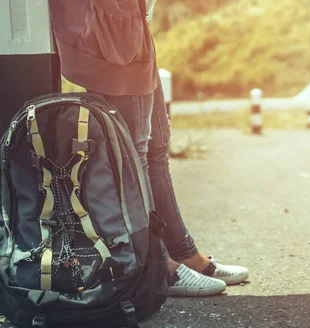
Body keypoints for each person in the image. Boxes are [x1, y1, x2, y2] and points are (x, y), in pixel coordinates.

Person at [48, 0, 248, 297]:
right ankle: (159, 264)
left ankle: (183, 252)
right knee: (135, 156)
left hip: (131, 24)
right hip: (113, 32)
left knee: (155, 148)